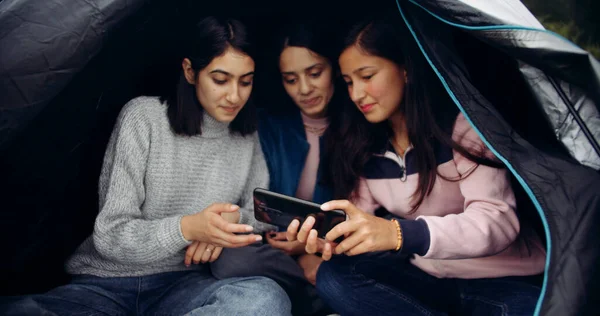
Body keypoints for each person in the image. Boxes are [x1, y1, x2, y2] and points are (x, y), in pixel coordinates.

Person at [1, 16, 291, 316]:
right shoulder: (144, 118)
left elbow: (262, 215)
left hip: (186, 286)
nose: (235, 95)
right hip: (105, 285)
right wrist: (190, 227)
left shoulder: (245, 136)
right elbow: (110, 235)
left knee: (265, 298)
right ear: (190, 72)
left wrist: (226, 222)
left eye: (246, 81)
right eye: (220, 80)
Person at [286, 14, 547, 316]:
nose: (357, 94)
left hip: (503, 280)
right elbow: (358, 220)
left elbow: (497, 220)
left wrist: (400, 234)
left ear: (405, 69)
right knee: (335, 278)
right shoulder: (365, 145)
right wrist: (320, 239)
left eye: (367, 76)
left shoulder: (461, 129)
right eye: (348, 82)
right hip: (430, 279)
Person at [209, 20, 346, 315]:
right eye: (291, 79)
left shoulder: (358, 127)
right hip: (273, 250)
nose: (305, 89)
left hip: (333, 251)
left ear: (335, 68)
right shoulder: (268, 125)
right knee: (230, 258)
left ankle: (321, 290)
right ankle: (319, 295)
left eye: (314, 73)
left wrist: (316, 246)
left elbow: (368, 213)